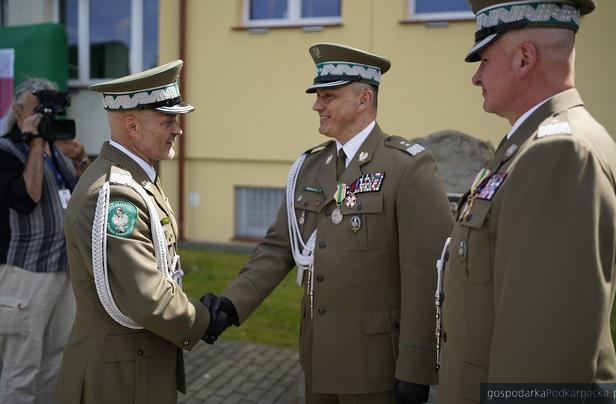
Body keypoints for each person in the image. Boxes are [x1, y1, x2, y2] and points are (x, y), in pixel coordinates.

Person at [202, 43, 453, 403]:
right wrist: (232, 304)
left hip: (377, 369)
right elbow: (278, 248)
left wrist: (417, 368)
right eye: (318, 96)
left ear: (363, 99)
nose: (317, 105)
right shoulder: (310, 166)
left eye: (328, 96)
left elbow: (426, 276)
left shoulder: (407, 167)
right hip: (317, 362)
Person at [437, 0, 616, 402]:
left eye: (484, 60)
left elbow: (543, 349)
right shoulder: (527, 147)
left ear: (524, 58)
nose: (475, 76)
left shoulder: (559, 154)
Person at [55, 60, 221, 404]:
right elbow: (146, 296)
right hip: (120, 378)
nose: (178, 130)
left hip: (135, 364)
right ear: (131, 125)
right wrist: (203, 320)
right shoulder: (114, 193)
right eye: (168, 121)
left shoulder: (134, 178)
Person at [0, 78, 89, 403]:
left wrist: (80, 159)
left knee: (55, 363)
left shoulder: (57, 149)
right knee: (21, 369)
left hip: (63, 270)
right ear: (16, 111)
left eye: (48, 111)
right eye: (36, 110)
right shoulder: (6, 151)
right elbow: (27, 198)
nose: (43, 117)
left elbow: (85, 200)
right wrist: (35, 144)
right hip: (25, 274)